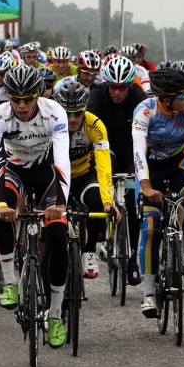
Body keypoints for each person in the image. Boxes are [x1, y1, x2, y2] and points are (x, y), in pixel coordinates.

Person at [0, 65, 72, 349]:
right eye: (15, 98)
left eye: (28, 98)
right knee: (4, 212)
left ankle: (57, 313)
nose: (22, 105)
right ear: (7, 95)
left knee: (58, 236)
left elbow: (62, 160)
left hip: (47, 173)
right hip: (13, 172)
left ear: (38, 94)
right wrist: (0, 202)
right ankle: (10, 281)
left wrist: (60, 204)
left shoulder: (54, 112)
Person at [131, 68, 184, 317]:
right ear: (165, 99)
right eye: (183, 95)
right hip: (151, 169)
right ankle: (149, 293)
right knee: (150, 227)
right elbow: (138, 150)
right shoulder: (145, 110)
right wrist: (146, 186)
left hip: (179, 165)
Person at [87, 55, 147, 286]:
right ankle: (97, 238)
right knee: (102, 194)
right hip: (105, 151)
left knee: (131, 203)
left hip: (131, 152)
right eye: (113, 86)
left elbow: (147, 130)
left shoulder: (138, 97)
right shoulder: (97, 94)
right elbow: (88, 126)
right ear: (107, 84)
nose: (117, 92)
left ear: (131, 84)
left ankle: (131, 259)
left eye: (122, 87)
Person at [52, 78, 117, 280]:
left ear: (85, 110)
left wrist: (108, 200)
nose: (72, 119)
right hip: (55, 177)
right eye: (67, 113)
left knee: (97, 200)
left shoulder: (95, 125)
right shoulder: (49, 123)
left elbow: (104, 164)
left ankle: (89, 251)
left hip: (81, 176)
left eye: (77, 113)